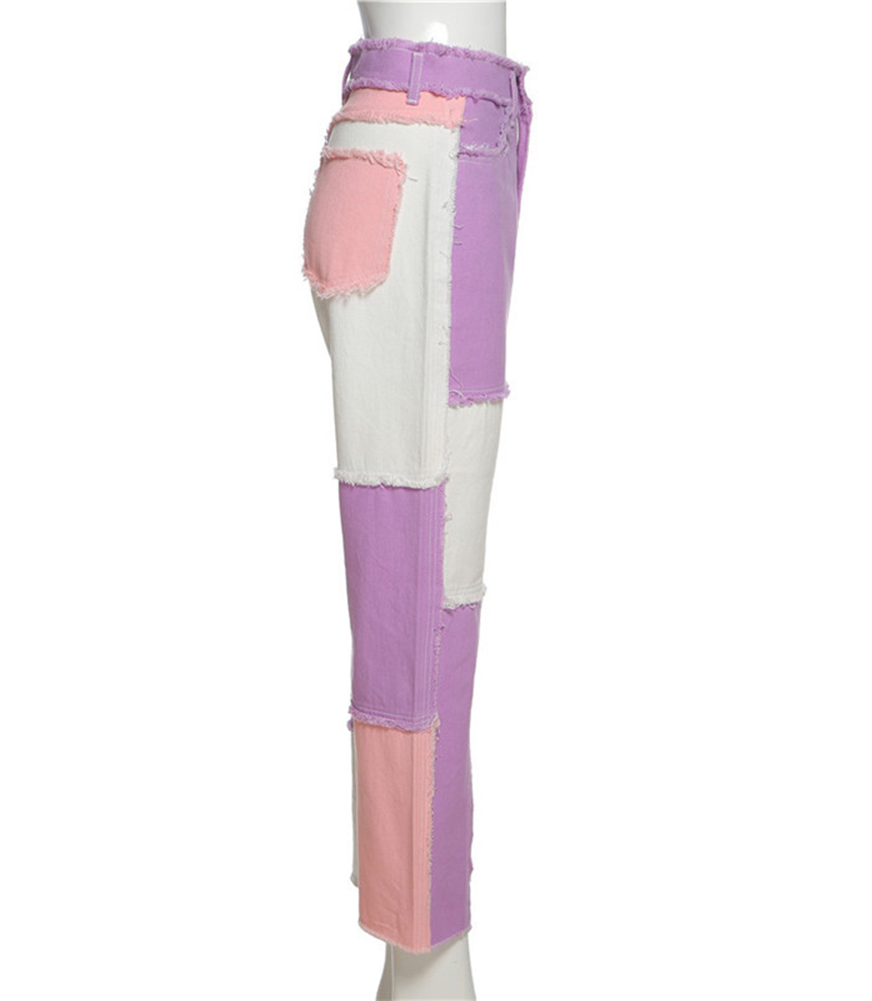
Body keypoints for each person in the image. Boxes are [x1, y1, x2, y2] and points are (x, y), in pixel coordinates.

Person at [302, 3, 532, 996]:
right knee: (425, 616)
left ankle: (420, 954)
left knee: (421, 601)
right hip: (431, 147)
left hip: (420, 137)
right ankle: (427, 952)